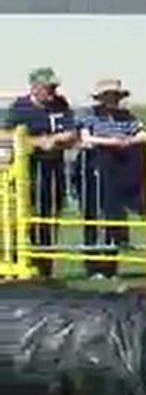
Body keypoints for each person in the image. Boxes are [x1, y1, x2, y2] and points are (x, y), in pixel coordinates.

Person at [4, 67, 78, 277]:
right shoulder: (20, 108)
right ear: (35, 87)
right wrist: (37, 142)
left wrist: (55, 140)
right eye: (48, 87)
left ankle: (45, 264)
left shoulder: (60, 104)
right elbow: (7, 135)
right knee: (23, 215)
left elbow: (71, 131)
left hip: (53, 169)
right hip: (27, 171)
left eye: (54, 87)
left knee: (50, 214)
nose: (52, 91)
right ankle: (18, 261)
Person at [78, 78, 146, 279]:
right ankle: (93, 266)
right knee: (95, 216)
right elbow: (86, 138)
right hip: (96, 170)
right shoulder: (89, 116)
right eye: (108, 96)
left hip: (121, 171)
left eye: (115, 96)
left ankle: (110, 265)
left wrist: (128, 141)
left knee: (114, 216)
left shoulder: (127, 117)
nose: (112, 100)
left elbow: (145, 135)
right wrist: (110, 142)